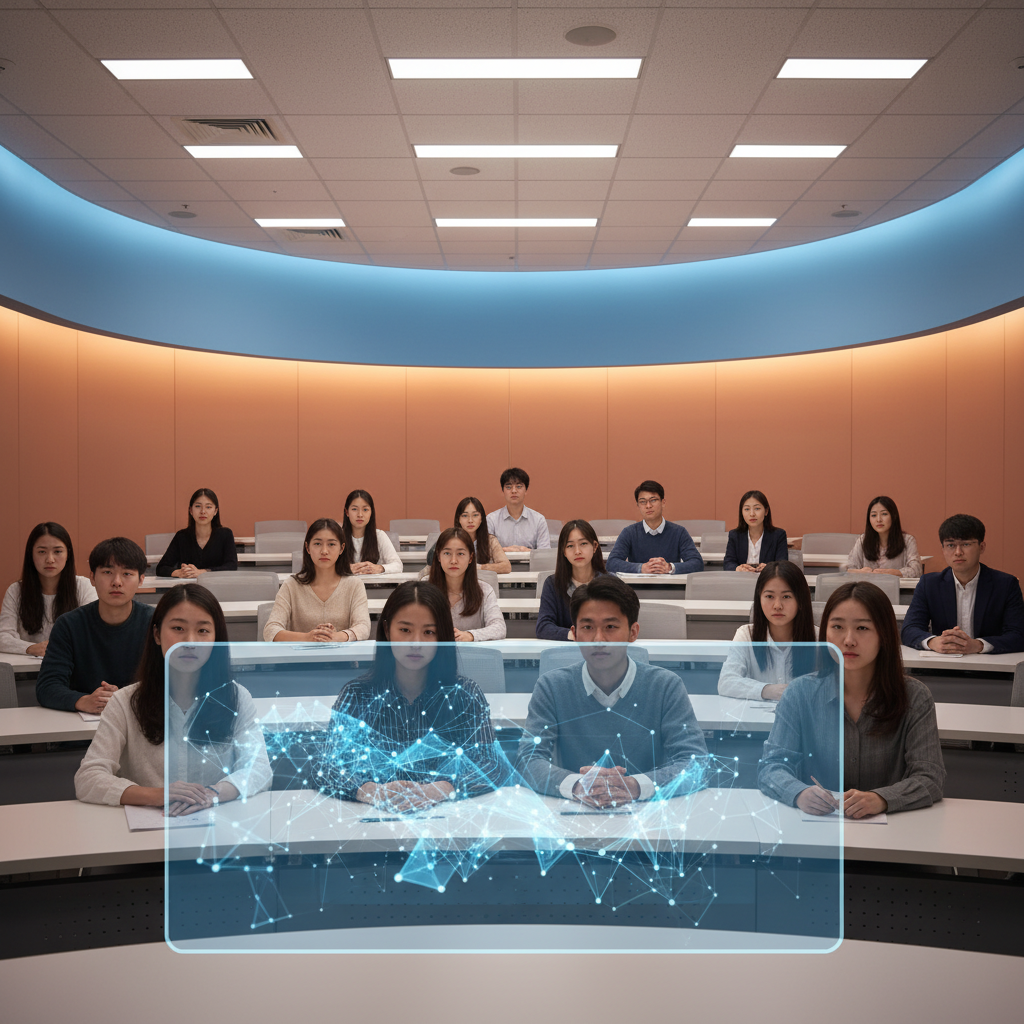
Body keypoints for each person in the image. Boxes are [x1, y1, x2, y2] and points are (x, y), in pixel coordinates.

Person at [313, 581, 510, 808]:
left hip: (446, 821)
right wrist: (370, 790)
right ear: (387, 630)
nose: (416, 642)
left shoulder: (464, 694)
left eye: (429, 632)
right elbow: (326, 766)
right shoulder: (357, 694)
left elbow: (492, 764)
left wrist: (440, 789)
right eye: (405, 630)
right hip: (375, 820)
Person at [75, 584, 271, 810]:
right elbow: (88, 777)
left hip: (215, 830)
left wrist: (211, 795)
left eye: (203, 631)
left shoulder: (236, 697)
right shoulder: (125, 702)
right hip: (146, 830)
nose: (190, 641)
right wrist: (156, 795)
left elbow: (259, 768)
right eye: (178, 628)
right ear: (157, 634)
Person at [516, 576, 709, 806]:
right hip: (573, 813)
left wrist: (635, 786)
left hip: (649, 816)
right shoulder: (551, 687)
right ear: (575, 633)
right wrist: (579, 785)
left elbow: (697, 763)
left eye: (611, 627)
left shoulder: (666, 686)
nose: (598, 639)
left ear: (633, 632)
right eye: (587, 627)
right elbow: (528, 760)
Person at [759, 581, 945, 818]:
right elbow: (772, 767)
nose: (848, 640)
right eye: (837, 626)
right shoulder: (799, 694)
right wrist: (798, 793)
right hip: (817, 832)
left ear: (884, 635)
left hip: (891, 837)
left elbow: (930, 777)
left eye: (862, 628)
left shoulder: (915, 697)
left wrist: (882, 799)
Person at [35, 538, 154, 713]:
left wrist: (123, 698)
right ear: (92, 577)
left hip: (138, 723)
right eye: (107, 572)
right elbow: (47, 687)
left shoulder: (154, 623)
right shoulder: (69, 625)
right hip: (81, 727)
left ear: (141, 580)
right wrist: (83, 701)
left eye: (127, 574)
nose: (117, 582)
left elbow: (169, 684)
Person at [901, 514, 1024, 655]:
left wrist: (978, 645)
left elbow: (1018, 635)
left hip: (990, 668)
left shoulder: (1006, 585)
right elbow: (909, 629)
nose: (958, 552)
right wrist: (933, 642)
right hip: (943, 666)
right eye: (951, 545)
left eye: (966, 544)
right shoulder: (929, 584)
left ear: (981, 547)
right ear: (943, 549)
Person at [717, 560, 817, 701]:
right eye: (769, 596)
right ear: (759, 599)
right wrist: (768, 690)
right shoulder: (746, 635)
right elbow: (726, 682)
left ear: (801, 601)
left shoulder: (819, 638)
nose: (777, 605)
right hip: (756, 720)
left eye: (786, 597)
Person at [264, 518, 370, 642]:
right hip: (301, 658)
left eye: (331, 544)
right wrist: (308, 637)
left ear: (341, 548)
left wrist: (337, 637)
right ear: (307, 547)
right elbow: (271, 630)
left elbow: (363, 627)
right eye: (317, 544)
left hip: (341, 659)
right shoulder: (291, 585)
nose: (324, 551)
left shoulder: (354, 585)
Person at [0, 522, 95, 656]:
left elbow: (94, 633)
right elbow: (3, 637)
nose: (50, 559)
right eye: (42, 552)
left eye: (57, 551)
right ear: (31, 555)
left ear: (68, 554)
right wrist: (31, 648)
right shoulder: (16, 590)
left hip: (72, 671)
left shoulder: (84, 587)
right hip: (25, 672)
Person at [606, 480, 703, 575]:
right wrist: (641, 568)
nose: (648, 506)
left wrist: (669, 568)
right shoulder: (629, 532)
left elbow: (697, 563)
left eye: (653, 500)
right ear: (638, 506)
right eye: (643, 502)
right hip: (637, 588)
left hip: (671, 588)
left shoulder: (679, 532)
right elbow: (612, 563)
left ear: (663, 502)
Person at [427, 527, 505, 641]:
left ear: (470, 557)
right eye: (447, 553)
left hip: (472, 656)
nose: (453, 560)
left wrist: (471, 635)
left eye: (460, 554)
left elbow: (499, 628)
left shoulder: (484, 590)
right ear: (439, 556)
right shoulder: (424, 590)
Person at [536, 519, 607, 641]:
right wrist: (575, 635)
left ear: (595, 546)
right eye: (570, 546)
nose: (577, 551)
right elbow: (543, 627)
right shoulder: (552, 584)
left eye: (583, 544)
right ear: (563, 551)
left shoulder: (610, 583)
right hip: (565, 652)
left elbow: (620, 624)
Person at [155, 488, 237, 578]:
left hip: (217, 588)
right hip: (188, 589)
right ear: (191, 510)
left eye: (208, 507)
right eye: (198, 506)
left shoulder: (225, 534)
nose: (203, 511)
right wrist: (178, 572)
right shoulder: (181, 536)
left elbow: (231, 566)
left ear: (215, 511)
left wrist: (203, 572)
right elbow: (161, 568)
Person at [425, 497, 512, 574]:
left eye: (475, 515)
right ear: (458, 519)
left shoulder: (490, 540)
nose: (470, 520)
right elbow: (432, 563)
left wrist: (480, 568)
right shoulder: (450, 539)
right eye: (465, 515)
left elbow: (506, 567)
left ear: (481, 518)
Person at [846, 496, 922, 578]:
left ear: (894, 516)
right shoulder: (862, 540)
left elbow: (916, 570)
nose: (878, 519)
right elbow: (849, 569)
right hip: (867, 589)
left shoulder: (907, 541)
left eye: (884, 514)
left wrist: (894, 573)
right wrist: (861, 572)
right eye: (874, 515)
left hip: (898, 589)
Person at [485, 467, 551, 551]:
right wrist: (506, 550)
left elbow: (545, 553)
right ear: (502, 491)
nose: (514, 491)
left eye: (519, 486)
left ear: (526, 490)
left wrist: (527, 552)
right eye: (508, 487)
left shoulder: (538, 520)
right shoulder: (491, 520)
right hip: (501, 564)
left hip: (530, 564)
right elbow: (486, 552)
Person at [723, 490, 789, 572]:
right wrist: (738, 569)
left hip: (767, 581)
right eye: (747, 509)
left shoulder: (778, 535)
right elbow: (728, 563)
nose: (752, 514)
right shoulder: (735, 535)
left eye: (757, 508)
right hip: (741, 581)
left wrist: (770, 569)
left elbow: (782, 564)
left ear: (766, 511)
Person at [339, 489, 402, 575]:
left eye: (365, 510)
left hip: (375, 587)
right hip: (346, 586)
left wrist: (380, 568)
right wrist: (344, 568)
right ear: (347, 512)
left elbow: (398, 565)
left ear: (371, 512)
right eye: (354, 509)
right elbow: (326, 567)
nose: (360, 514)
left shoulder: (379, 536)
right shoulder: (337, 536)